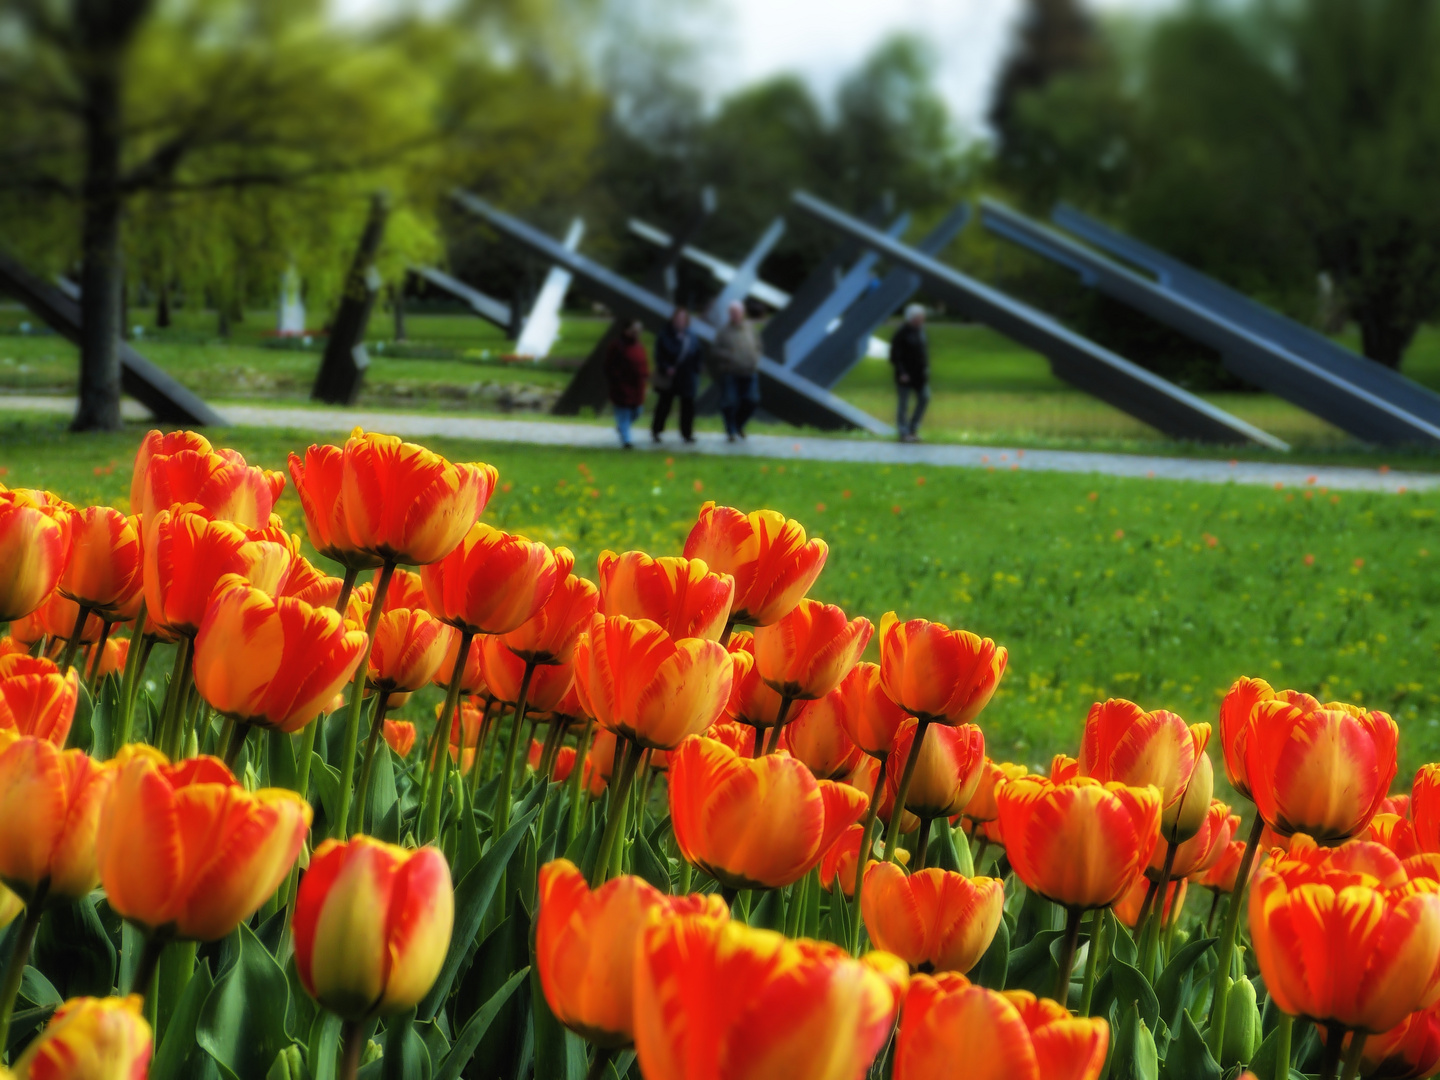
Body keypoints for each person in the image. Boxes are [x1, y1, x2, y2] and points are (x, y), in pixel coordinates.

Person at [711, 300, 761, 441]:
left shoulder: (750, 329)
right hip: (730, 372)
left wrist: (756, 359)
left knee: (752, 400)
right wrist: (728, 355)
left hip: (750, 371)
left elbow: (758, 346)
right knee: (729, 402)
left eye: (737, 312)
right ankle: (731, 430)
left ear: (742, 313)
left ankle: (739, 425)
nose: (735, 315)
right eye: (732, 312)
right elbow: (715, 350)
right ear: (729, 314)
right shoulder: (724, 332)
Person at [651, 306, 701, 443]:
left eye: (683, 319)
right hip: (670, 377)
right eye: (678, 318)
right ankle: (657, 431)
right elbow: (659, 355)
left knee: (688, 406)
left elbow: (697, 353)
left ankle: (687, 433)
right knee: (664, 404)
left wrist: (697, 369)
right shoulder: (665, 334)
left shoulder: (691, 335)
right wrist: (666, 367)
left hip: (687, 376)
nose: (680, 321)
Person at [604, 319, 649, 449]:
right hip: (622, 386)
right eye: (634, 330)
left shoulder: (639, 346)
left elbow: (643, 364)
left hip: (637, 387)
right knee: (623, 413)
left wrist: (645, 376)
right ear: (626, 330)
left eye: (639, 330)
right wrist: (616, 379)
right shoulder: (617, 346)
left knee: (637, 411)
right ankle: (627, 441)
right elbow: (609, 366)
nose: (637, 333)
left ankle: (623, 428)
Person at [890, 303, 930, 442]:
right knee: (904, 403)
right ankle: (903, 432)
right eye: (919, 317)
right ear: (912, 318)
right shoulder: (902, 333)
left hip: (919, 375)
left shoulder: (920, 332)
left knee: (924, 398)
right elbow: (895, 355)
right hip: (905, 375)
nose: (922, 320)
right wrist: (902, 372)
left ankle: (913, 428)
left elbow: (922, 353)